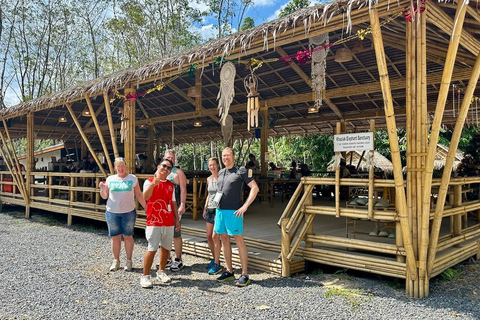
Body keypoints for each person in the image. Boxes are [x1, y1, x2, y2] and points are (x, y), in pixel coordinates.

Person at [215, 147, 259, 287]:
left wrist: (245, 206)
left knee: (238, 239)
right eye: (223, 156)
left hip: (234, 211)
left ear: (233, 157)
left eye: (228, 155)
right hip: (220, 210)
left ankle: (244, 273)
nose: (225, 158)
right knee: (223, 239)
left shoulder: (241, 171)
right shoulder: (221, 172)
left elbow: (255, 188)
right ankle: (229, 271)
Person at [99, 157, 146, 272]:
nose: (120, 168)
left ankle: (129, 261)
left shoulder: (133, 178)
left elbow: (139, 195)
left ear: (126, 166)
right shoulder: (110, 179)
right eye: (118, 166)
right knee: (115, 237)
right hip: (112, 212)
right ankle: (116, 260)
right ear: (115, 168)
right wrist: (101, 189)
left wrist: (146, 207)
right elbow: (105, 196)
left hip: (128, 212)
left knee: (128, 236)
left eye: (122, 166)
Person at [140, 159, 180, 288]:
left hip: (167, 220)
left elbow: (173, 203)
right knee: (152, 248)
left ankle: (161, 271)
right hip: (154, 220)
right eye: (164, 166)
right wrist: (153, 184)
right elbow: (145, 197)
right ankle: (145, 275)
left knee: (166, 247)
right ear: (158, 167)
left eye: (169, 168)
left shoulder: (170, 185)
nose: (166, 169)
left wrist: (176, 219)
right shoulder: (149, 181)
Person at [162, 149, 187, 272]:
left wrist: (182, 204)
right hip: (163, 208)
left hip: (174, 207)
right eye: (168, 157)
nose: (170, 159)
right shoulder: (160, 171)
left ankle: (178, 259)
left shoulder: (178, 173)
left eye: (172, 157)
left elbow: (183, 190)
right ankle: (166, 258)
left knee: (176, 233)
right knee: (164, 234)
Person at [202, 157, 222, 275]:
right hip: (210, 208)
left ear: (218, 165)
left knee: (215, 236)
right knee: (209, 236)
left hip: (218, 209)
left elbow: (221, 193)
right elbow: (209, 195)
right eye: (210, 165)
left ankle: (217, 262)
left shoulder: (221, 178)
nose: (212, 167)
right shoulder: (209, 179)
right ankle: (215, 259)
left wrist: (215, 204)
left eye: (214, 165)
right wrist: (205, 208)